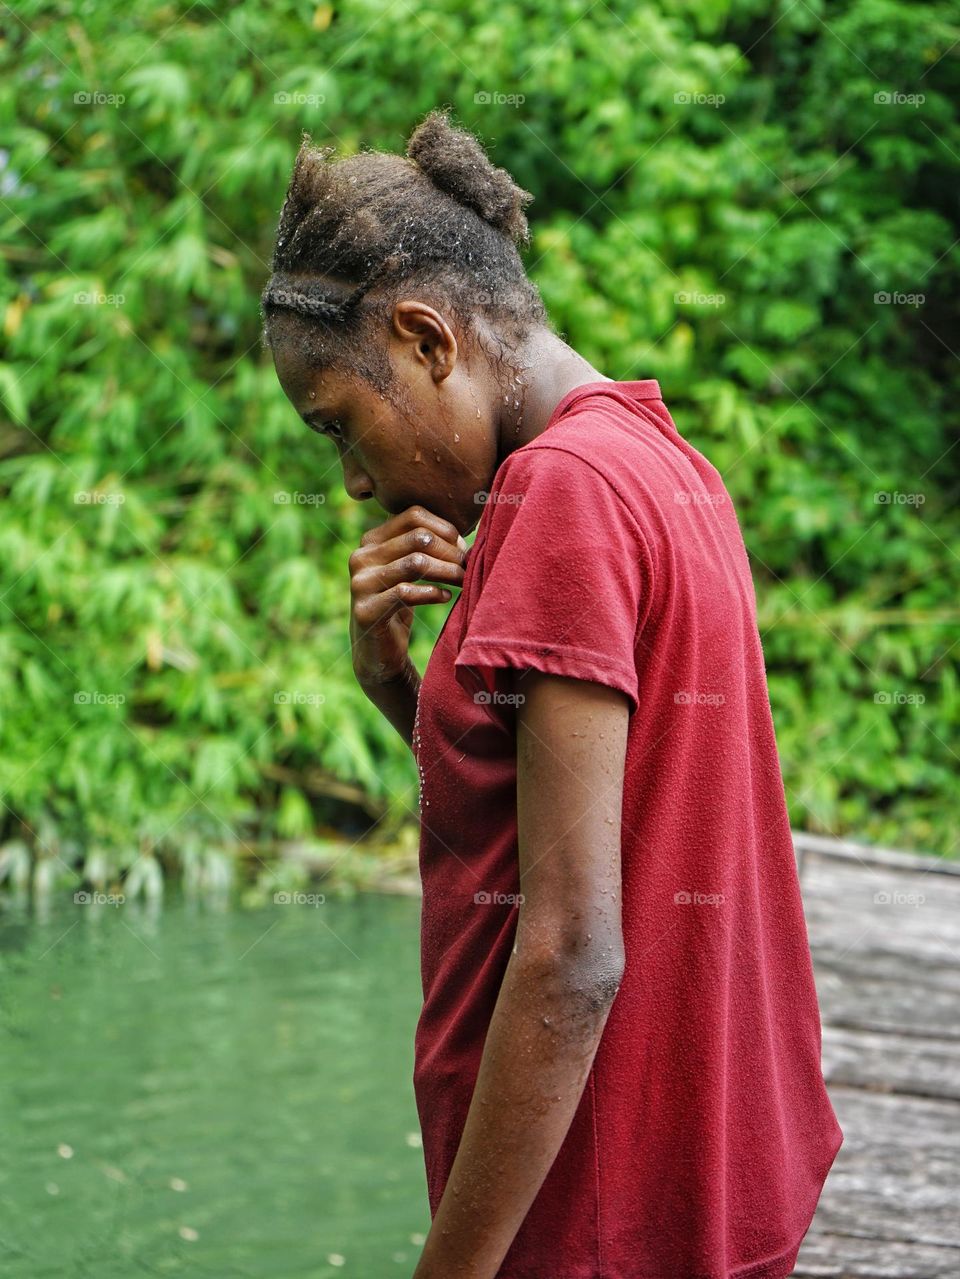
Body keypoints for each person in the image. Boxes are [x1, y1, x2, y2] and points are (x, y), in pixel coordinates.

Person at [260, 108, 843, 1279]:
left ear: (429, 339)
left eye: (341, 425)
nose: (358, 480)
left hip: (599, 1210)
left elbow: (575, 948)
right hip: (709, 1182)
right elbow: (566, 812)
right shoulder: (656, 457)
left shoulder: (560, 496)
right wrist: (392, 682)